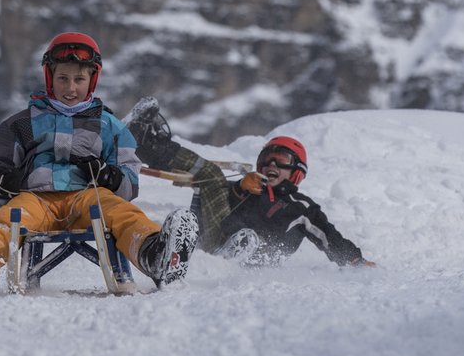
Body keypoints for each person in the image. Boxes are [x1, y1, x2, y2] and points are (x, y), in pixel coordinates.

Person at [0, 33, 198, 292]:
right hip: (37, 199)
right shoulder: (21, 123)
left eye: (79, 79)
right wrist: (3, 181)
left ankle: (157, 256)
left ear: (92, 80)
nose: (71, 87)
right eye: (62, 78)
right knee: (9, 219)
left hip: (89, 198)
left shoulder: (108, 126)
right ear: (49, 77)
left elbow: (130, 179)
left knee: (121, 212)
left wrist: (109, 176)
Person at [125, 97, 375, 267]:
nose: (272, 165)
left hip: (258, 257)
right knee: (211, 177)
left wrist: (354, 260)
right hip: (218, 240)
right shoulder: (251, 188)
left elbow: (327, 236)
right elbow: (221, 209)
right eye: (266, 159)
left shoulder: (302, 207)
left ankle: (237, 248)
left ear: (296, 170)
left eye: (281, 160)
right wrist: (239, 190)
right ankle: (147, 144)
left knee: (222, 194)